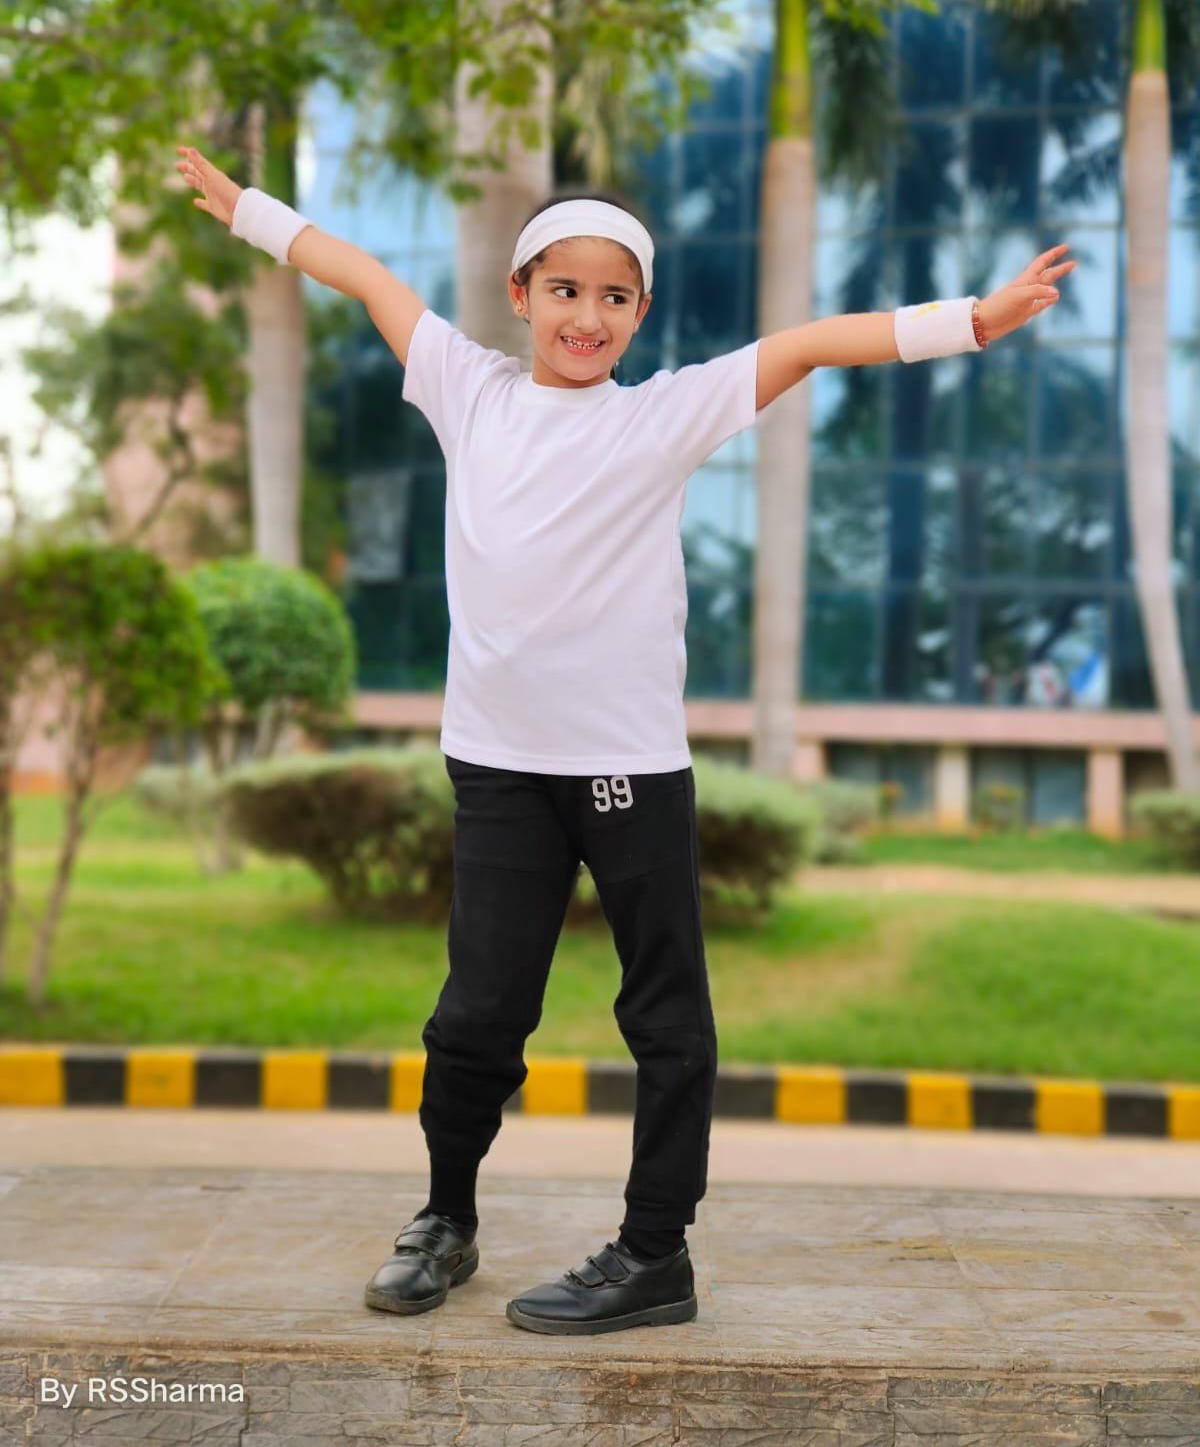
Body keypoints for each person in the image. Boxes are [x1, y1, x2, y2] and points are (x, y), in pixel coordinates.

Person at [175, 142, 1073, 1335]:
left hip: (629, 769)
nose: (586, 316)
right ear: (521, 294)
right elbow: (367, 275)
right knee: (477, 1014)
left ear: (640, 312)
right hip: (498, 765)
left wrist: (975, 320)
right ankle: (445, 1218)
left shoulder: (662, 413)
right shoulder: (465, 387)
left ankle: (656, 1252)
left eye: (614, 296)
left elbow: (808, 343)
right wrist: (250, 212)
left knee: (665, 1015)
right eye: (564, 289)